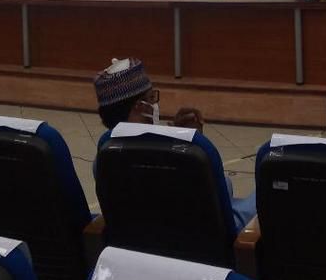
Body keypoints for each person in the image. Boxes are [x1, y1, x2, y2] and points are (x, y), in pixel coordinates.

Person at [93, 58, 256, 230]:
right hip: (202, 239)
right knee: (263, 194)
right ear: (140, 107)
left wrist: (176, 138)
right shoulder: (185, 158)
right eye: (152, 97)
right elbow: (217, 199)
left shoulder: (103, 159)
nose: (155, 104)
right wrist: (189, 146)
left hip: (136, 240)